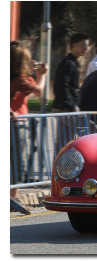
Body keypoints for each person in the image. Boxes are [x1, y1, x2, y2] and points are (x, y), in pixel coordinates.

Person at [10, 42, 48, 203]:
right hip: (17, 123)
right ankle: (12, 197)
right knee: (19, 161)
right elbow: (39, 91)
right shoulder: (18, 80)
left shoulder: (17, 78)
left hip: (18, 121)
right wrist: (43, 75)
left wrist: (31, 72)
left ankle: (13, 196)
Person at [52, 32, 89, 112]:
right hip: (65, 108)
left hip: (68, 107)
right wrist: (71, 105)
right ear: (74, 45)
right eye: (83, 45)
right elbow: (62, 86)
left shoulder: (73, 63)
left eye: (87, 45)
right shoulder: (68, 63)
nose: (86, 48)